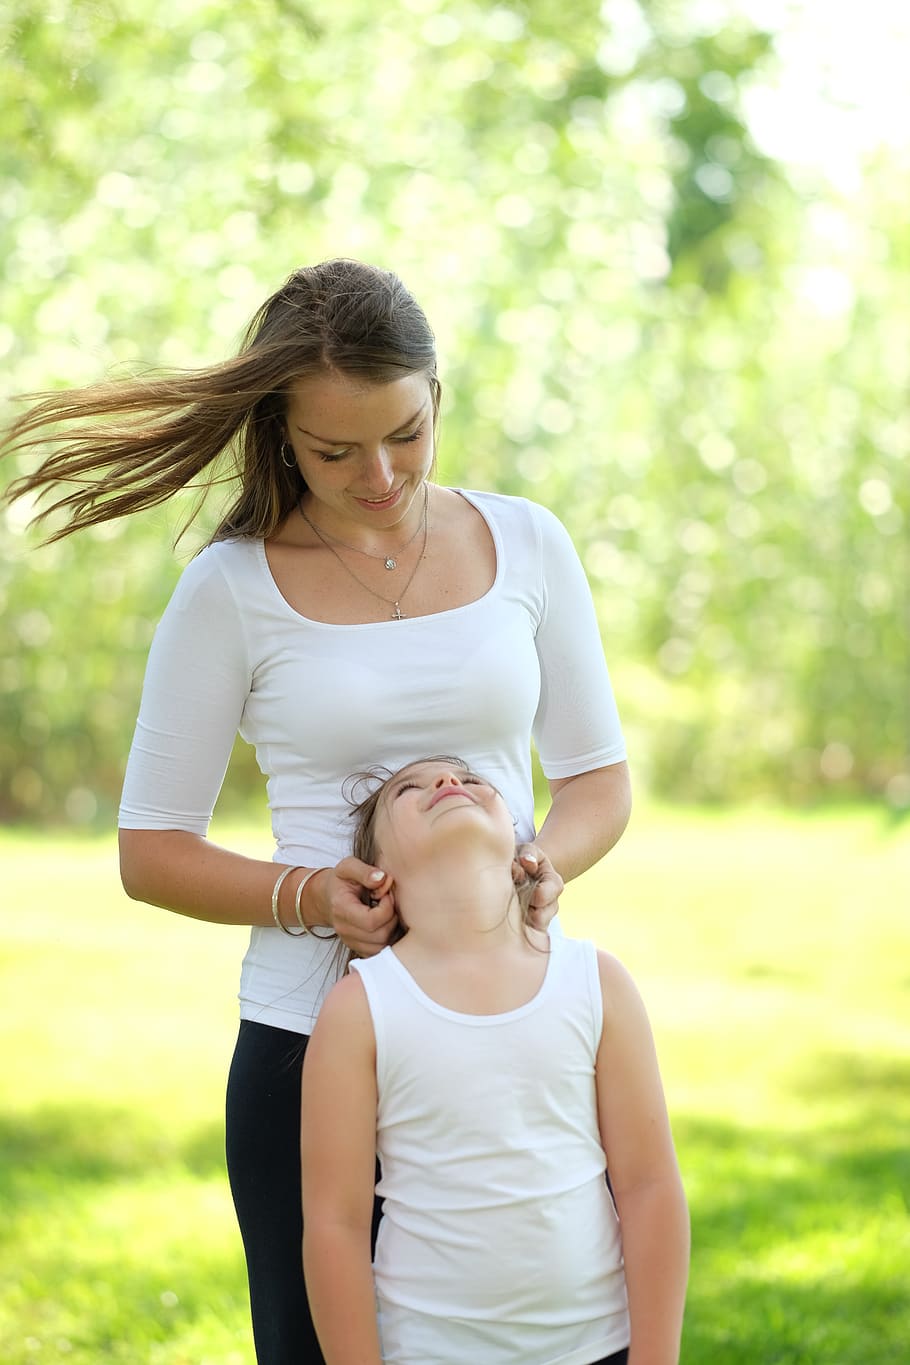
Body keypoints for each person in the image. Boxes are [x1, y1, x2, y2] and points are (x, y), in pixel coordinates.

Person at [1, 258, 632, 1364]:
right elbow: (150, 852)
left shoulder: (526, 543)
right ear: (279, 434)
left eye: (405, 434)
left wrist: (544, 863)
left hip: (515, 1028)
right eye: (335, 450)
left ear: (437, 397)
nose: (379, 474)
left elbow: (596, 780)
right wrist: (309, 898)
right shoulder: (232, 590)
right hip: (309, 1041)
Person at [302, 756, 689, 1365]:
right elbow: (335, 1225)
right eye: (411, 788)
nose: (448, 784)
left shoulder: (596, 982)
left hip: (598, 1347)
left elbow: (649, 1187)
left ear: (519, 845)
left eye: (471, 779)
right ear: (378, 876)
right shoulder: (360, 1010)